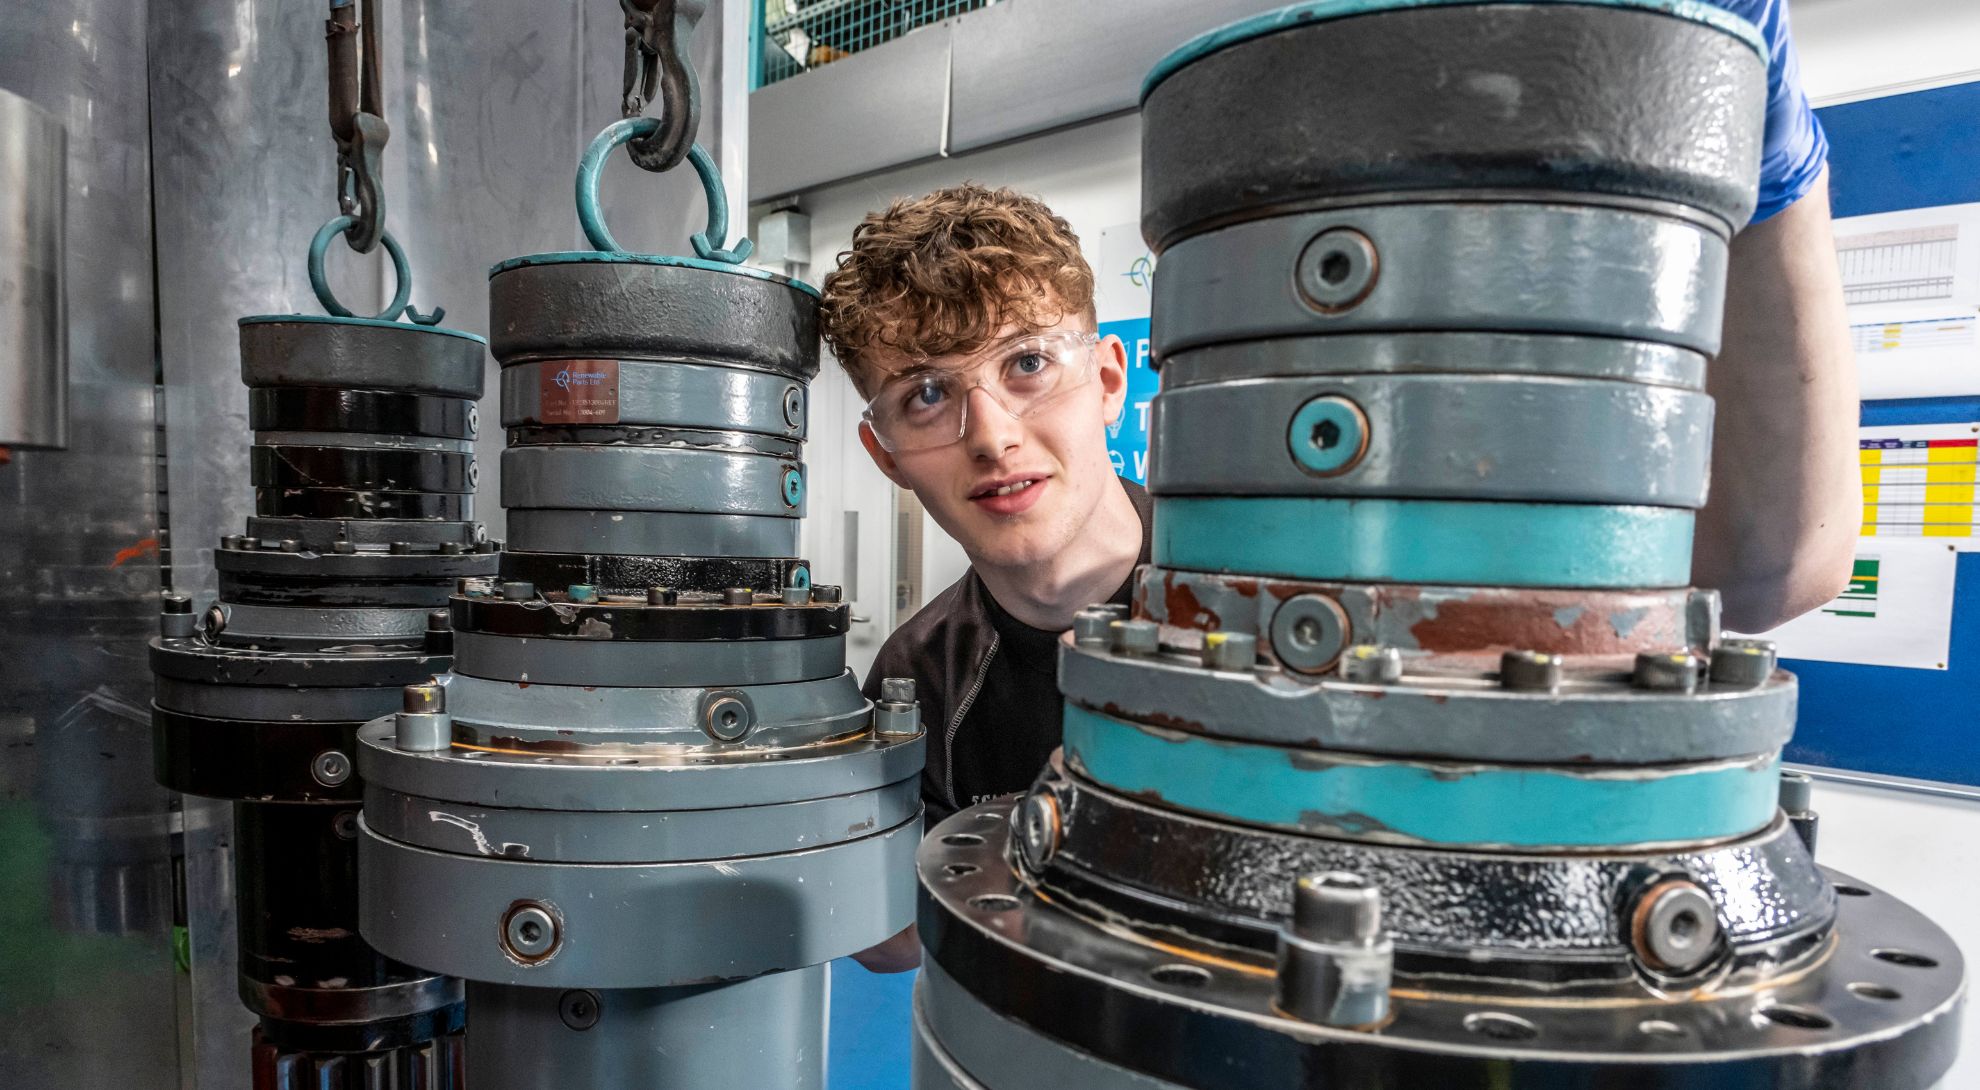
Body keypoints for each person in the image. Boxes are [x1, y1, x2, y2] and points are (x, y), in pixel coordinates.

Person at [822, 0, 1854, 974]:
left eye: (1026, 366)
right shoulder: (923, 677)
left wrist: (1770, 181)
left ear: (1104, 381)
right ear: (883, 452)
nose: (994, 437)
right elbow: (881, 939)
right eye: (925, 397)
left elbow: (1774, 566)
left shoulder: (1290, 570)